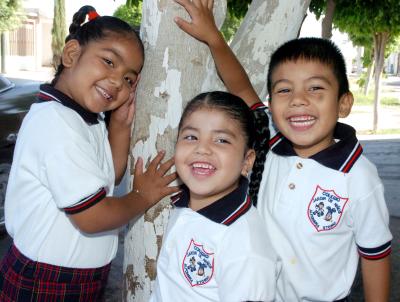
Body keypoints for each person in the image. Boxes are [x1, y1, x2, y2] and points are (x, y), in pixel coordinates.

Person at [173, 0, 393, 301]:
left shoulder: (359, 177)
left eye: (315, 88)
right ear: (272, 103)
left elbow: (375, 254)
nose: (298, 100)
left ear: (344, 103)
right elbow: (240, 87)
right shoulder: (269, 141)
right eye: (284, 90)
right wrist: (214, 37)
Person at [0, 6, 178, 301]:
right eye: (109, 61)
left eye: (129, 80)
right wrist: (142, 197)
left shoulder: (85, 118)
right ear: (71, 55)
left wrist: (119, 126)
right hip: (45, 283)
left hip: (79, 278)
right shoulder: (56, 123)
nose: (117, 81)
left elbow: (108, 176)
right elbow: (92, 216)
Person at [149, 91, 279, 302]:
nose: (202, 149)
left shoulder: (245, 246)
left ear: (247, 161)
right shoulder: (183, 204)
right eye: (191, 137)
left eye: (221, 140)